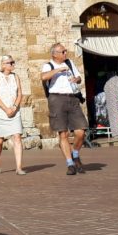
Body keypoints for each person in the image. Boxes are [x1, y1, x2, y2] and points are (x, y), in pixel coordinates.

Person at [41, 43, 88, 175]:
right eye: (63, 52)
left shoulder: (69, 62)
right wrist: (58, 70)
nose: (65, 53)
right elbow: (43, 77)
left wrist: (76, 79)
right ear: (54, 54)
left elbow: (79, 78)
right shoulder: (48, 65)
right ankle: (70, 164)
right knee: (63, 134)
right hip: (56, 99)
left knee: (81, 131)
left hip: (72, 98)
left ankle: (75, 153)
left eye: (65, 51)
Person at [0, 54, 26, 175]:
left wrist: (15, 107)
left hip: (15, 112)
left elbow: (20, 93)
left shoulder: (16, 76)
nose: (13, 64)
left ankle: (19, 167)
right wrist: (6, 109)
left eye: (13, 62)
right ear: (3, 65)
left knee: (17, 137)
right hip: (0, 112)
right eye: (10, 63)